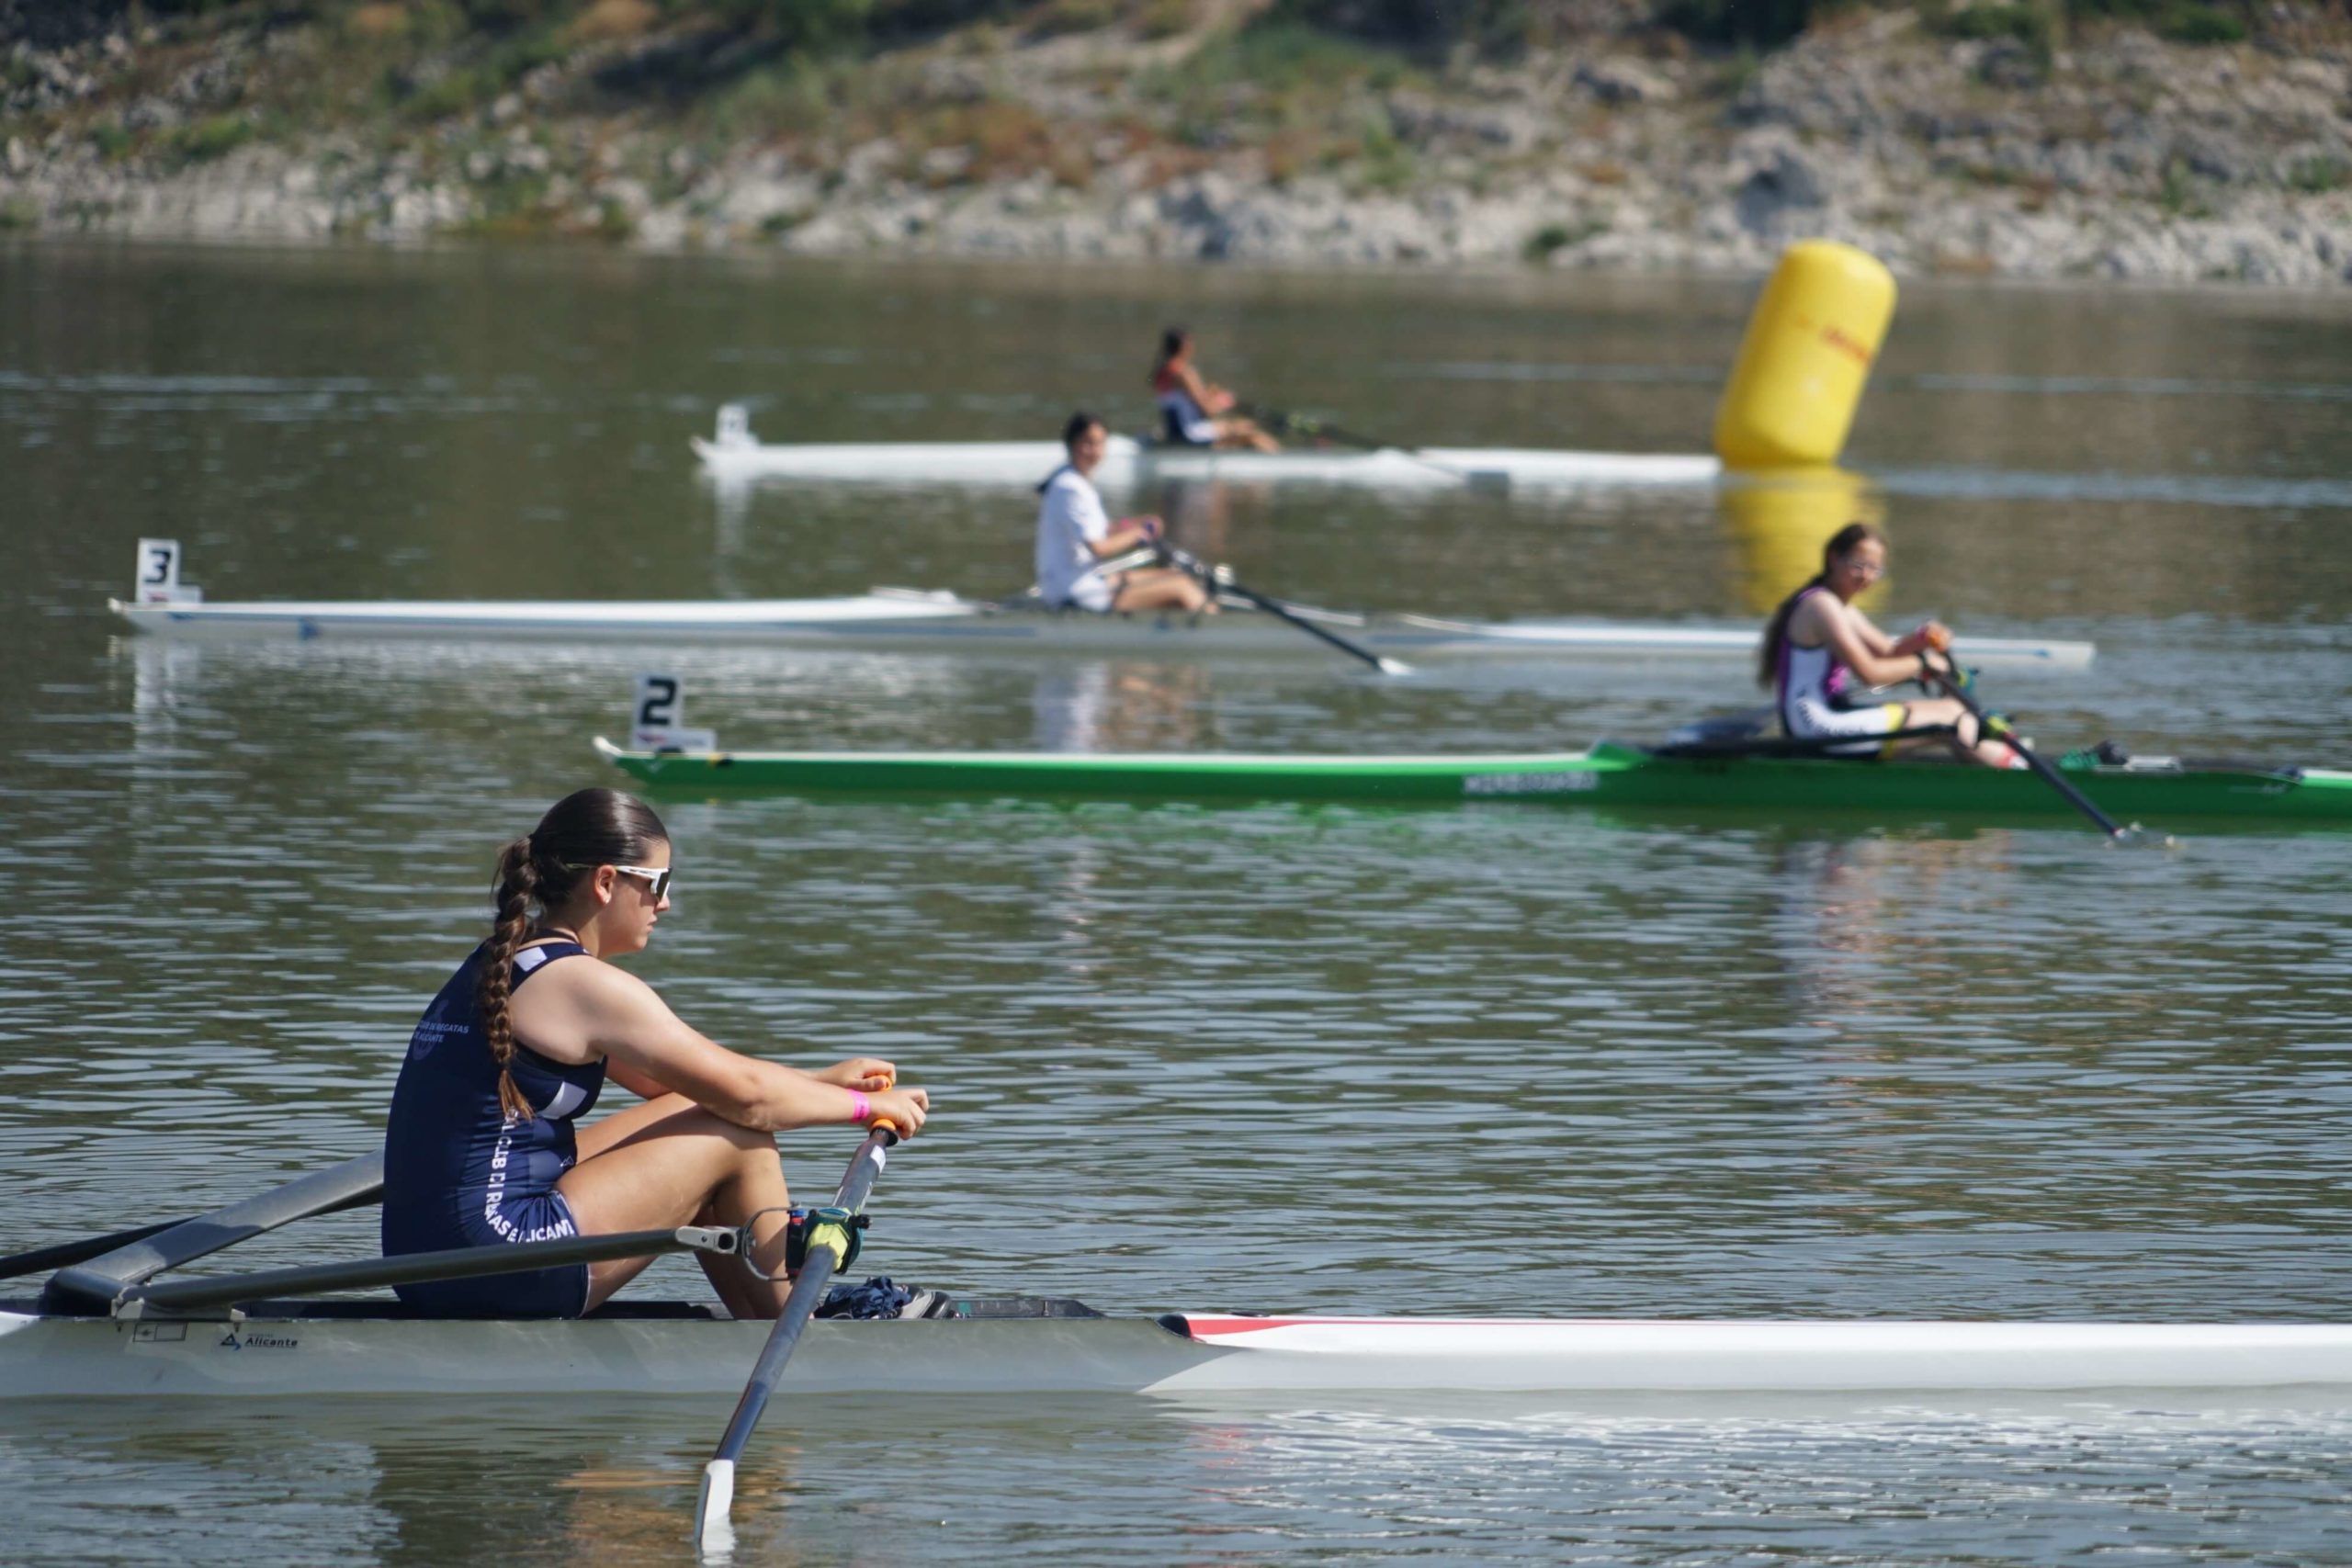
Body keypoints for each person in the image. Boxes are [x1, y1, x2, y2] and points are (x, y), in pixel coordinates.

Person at [381, 788, 930, 1320]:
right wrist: (867, 1110)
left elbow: (687, 1088)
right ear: (605, 882)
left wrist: (820, 1081)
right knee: (737, 1137)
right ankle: (792, 1322)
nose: (665, 903)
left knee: (700, 1113)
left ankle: (761, 1312)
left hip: (427, 1259)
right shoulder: (585, 985)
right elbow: (751, 1104)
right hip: (500, 1256)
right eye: (658, 882)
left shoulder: (506, 959)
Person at [1758, 523, 2024, 767]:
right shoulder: (1821, 606)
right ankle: (2017, 773)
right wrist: (1923, 663)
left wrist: (1923, 638)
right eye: (1859, 564)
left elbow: (1888, 651)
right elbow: (1871, 674)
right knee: (1952, 721)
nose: (1866, 576)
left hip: (1826, 720)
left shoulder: (1838, 605)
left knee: (1955, 710)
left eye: (1874, 569)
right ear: (1834, 558)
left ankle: (2003, 761)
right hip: (1815, 728)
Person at [1035, 410, 1212, 615]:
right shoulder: (1070, 488)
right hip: (1073, 593)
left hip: (1085, 582)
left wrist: (1134, 525)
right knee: (1181, 587)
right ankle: (1223, 632)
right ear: (1071, 444)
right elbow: (1098, 548)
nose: (1094, 450)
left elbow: (1099, 531)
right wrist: (1137, 534)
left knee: (1173, 575)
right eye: (1087, 443)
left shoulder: (1072, 481)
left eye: (1100, 443)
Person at [1151, 328, 1279, 452]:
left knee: (1239, 428)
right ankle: (1280, 460)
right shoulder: (1184, 373)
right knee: (1251, 432)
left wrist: (1211, 396)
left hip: (1174, 429)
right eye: (1190, 343)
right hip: (1191, 431)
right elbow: (1207, 410)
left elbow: (1185, 403)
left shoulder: (1162, 372)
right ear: (1184, 347)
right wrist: (1221, 402)